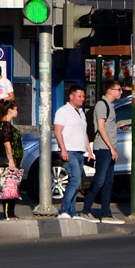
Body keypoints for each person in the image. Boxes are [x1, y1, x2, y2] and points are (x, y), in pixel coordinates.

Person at [82, 80, 125, 224]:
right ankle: (86, 210)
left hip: (109, 149)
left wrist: (118, 126)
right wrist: (112, 148)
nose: (121, 92)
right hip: (103, 149)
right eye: (118, 89)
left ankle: (106, 213)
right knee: (99, 180)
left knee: (108, 182)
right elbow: (100, 127)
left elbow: (107, 125)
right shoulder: (102, 105)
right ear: (110, 90)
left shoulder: (111, 106)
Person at [53, 84, 90, 220]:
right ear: (71, 96)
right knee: (75, 180)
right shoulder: (63, 111)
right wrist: (63, 149)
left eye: (83, 96)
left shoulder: (81, 112)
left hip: (80, 151)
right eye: (79, 96)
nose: (82, 99)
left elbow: (83, 132)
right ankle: (64, 210)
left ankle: (72, 211)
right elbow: (58, 131)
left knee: (76, 182)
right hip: (69, 150)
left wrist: (89, 150)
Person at [0, 99, 24, 219]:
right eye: (16, 109)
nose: (17, 112)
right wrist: (11, 160)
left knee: (12, 187)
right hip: (8, 162)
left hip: (12, 161)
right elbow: (6, 143)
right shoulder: (5, 125)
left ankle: (10, 213)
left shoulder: (3, 124)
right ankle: (8, 213)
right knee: (8, 187)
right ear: (10, 110)